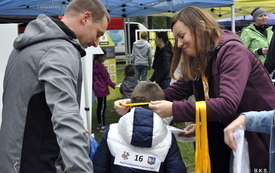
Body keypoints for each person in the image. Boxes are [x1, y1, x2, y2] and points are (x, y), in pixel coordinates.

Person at [114, 6, 275, 172]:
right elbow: (176, 90)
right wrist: (135, 103)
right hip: (231, 133)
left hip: (259, 137)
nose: (179, 44)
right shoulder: (203, 55)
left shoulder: (232, 52)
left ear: (201, 26)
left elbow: (227, 104)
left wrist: (175, 109)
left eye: (182, 36)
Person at [0, 0, 109, 172]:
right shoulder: (59, 50)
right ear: (86, 18)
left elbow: (35, 105)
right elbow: (66, 117)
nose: (96, 43)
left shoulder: (28, 46)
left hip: (13, 159)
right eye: (98, 33)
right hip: (34, 164)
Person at [94, 82, 187, 173]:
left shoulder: (111, 131)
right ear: (159, 105)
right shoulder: (168, 137)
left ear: (131, 102)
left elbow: (99, 167)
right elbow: (177, 169)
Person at [93, 49, 116, 132]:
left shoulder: (92, 66)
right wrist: (114, 86)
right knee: (102, 107)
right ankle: (102, 126)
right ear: (100, 57)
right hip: (102, 89)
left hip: (97, 89)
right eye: (104, 57)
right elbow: (107, 79)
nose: (105, 59)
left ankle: (100, 123)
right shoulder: (101, 67)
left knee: (99, 106)